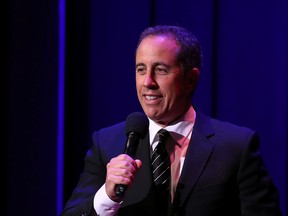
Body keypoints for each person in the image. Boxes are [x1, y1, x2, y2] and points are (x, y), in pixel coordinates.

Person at [60, 25, 282, 216]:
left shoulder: (236, 147)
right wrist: (107, 196)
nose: (148, 82)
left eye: (160, 70)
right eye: (141, 69)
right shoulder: (107, 144)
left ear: (190, 79)